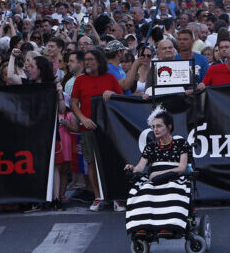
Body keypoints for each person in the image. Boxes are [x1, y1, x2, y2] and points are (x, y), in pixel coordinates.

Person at [123, 108, 191, 237]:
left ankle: (169, 225)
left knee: (173, 189)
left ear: (169, 126)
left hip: (174, 177)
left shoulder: (180, 142)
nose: (155, 129)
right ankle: (142, 226)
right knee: (142, 190)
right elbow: (140, 167)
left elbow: (182, 167)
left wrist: (161, 174)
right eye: (153, 127)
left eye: (159, 126)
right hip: (154, 179)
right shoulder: (151, 146)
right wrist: (132, 168)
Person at [70, 48, 123, 212]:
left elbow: (121, 99)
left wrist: (112, 94)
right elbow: (73, 103)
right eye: (85, 60)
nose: (87, 62)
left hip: (109, 127)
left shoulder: (110, 78)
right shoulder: (79, 80)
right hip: (88, 127)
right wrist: (83, 119)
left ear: (99, 61)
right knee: (91, 162)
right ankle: (98, 196)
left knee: (112, 160)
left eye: (91, 59)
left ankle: (116, 197)